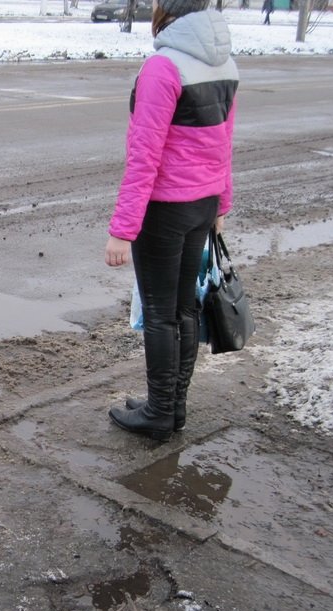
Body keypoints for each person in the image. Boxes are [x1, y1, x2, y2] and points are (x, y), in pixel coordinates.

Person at [104, 0, 238, 442]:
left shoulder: (164, 67)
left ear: (167, 14)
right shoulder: (224, 63)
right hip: (202, 203)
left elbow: (145, 155)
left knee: (162, 313)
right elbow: (225, 144)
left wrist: (123, 230)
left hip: (164, 209)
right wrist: (221, 205)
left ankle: (160, 413)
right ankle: (172, 406)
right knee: (184, 306)